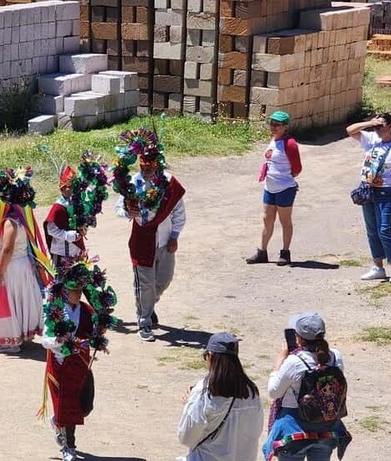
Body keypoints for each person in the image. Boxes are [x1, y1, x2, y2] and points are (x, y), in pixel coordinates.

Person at [114, 130, 186, 342]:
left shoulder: (169, 183)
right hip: (141, 241)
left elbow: (179, 212)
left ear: (157, 165)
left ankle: (148, 304)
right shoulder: (132, 184)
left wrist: (175, 235)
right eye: (142, 166)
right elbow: (119, 208)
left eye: (150, 166)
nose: (145, 170)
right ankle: (144, 321)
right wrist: (129, 211)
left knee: (163, 280)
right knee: (145, 284)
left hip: (164, 241)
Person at [40, 257, 113, 461]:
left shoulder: (87, 311)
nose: (78, 294)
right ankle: (68, 446)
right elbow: (45, 340)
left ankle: (58, 423)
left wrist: (100, 331)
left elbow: (94, 332)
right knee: (67, 408)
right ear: (65, 290)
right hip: (60, 365)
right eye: (74, 291)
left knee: (84, 406)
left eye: (80, 291)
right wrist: (59, 339)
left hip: (80, 365)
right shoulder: (55, 312)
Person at [0, 167, 52, 353]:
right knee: (17, 299)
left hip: (11, 267)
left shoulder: (11, 222)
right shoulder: (18, 219)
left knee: (7, 301)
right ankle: (17, 334)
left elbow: (8, 248)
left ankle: (8, 341)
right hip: (20, 266)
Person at [264, 312, 351, 461]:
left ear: (298, 337)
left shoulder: (294, 361)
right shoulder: (335, 356)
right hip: (326, 427)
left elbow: (274, 392)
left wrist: (278, 364)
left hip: (295, 428)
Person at [346, 113, 391, 283]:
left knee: (384, 230)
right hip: (368, 190)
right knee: (371, 230)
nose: (377, 128)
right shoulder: (371, 140)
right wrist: (369, 122)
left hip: (387, 193)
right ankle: (378, 266)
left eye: (380, 125)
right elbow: (350, 130)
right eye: (375, 126)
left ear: (390, 126)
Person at [177, 332, 263, 461]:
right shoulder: (251, 392)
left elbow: (186, 437)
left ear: (210, 356)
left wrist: (189, 405)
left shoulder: (204, 392)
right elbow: (256, 431)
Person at [247, 111, 301, 266]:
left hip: (285, 189)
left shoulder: (290, 143)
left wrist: (286, 178)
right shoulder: (273, 140)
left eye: (277, 124)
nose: (273, 127)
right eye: (271, 123)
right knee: (267, 220)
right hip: (269, 188)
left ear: (285, 126)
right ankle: (262, 252)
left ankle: (285, 253)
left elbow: (297, 168)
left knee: (285, 222)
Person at [45, 166, 86, 269]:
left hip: (76, 250)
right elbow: (51, 230)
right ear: (62, 188)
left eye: (74, 187)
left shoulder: (77, 203)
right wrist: (69, 235)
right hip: (61, 252)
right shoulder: (58, 207)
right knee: (61, 282)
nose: (71, 190)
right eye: (68, 187)